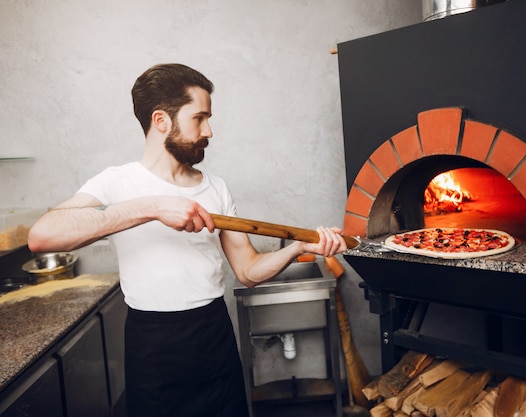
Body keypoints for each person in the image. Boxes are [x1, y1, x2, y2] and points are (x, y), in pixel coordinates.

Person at [28, 63, 347, 417]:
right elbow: (42, 236)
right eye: (199, 118)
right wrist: (152, 207)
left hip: (214, 336)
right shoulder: (116, 183)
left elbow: (248, 270)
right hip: (152, 345)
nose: (209, 130)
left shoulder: (216, 187)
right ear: (161, 120)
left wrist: (298, 248)